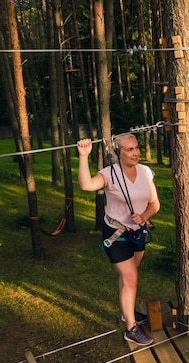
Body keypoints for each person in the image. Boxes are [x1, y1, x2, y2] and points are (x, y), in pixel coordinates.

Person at [77, 134, 160, 346]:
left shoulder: (145, 171)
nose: (135, 153)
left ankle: (127, 312)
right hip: (116, 234)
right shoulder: (110, 174)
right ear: (118, 153)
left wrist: (144, 217)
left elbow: (154, 203)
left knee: (128, 277)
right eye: (129, 149)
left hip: (137, 231)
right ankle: (131, 329)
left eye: (137, 148)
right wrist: (83, 156)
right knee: (130, 278)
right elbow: (86, 185)